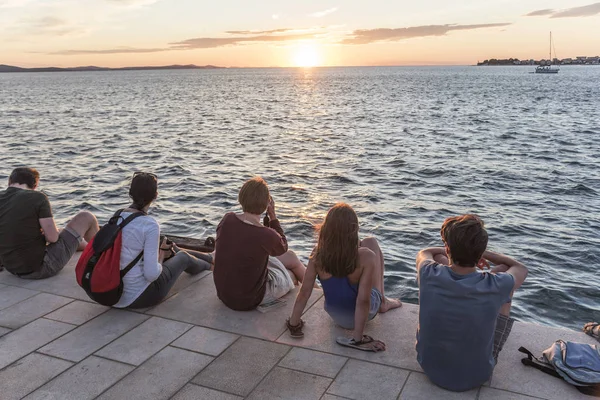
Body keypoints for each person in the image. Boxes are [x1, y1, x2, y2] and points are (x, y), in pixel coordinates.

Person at [415, 214, 528, 392]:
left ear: (448, 248)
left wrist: (452, 248)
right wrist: (481, 253)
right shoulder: (497, 284)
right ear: (480, 251)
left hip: (429, 366)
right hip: (476, 376)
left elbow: (425, 252)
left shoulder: (427, 272)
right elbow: (520, 268)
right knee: (506, 280)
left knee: (441, 262)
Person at [286, 203, 402, 351]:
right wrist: (358, 339)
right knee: (370, 242)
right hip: (363, 315)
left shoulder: (317, 254)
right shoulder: (366, 256)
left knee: (362, 248)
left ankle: (294, 322)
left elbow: (304, 293)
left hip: (335, 314)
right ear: (354, 229)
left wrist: (294, 323)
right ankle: (383, 302)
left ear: (326, 229)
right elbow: (363, 301)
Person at [113, 172, 212, 309]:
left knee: (168, 245)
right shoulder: (150, 225)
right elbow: (151, 274)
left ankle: (209, 257)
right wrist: (161, 256)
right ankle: (211, 267)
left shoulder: (118, 216)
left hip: (112, 293)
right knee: (183, 257)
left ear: (130, 193)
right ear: (155, 196)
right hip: (139, 297)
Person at [213, 176, 306, 311]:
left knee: (291, 257)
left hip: (224, 294)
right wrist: (273, 217)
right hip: (248, 299)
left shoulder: (227, 219)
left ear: (241, 198)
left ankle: (318, 291)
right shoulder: (266, 234)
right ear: (266, 205)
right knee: (291, 276)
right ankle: (318, 295)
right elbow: (283, 246)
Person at [0, 167, 99, 279]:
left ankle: (86, 247)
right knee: (86, 217)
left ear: (10, 181)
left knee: (62, 232)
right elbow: (52, 238)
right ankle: (105, 256)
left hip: (11, 267)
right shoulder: (38, 197)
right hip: (37, 268)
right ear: (35, 185)